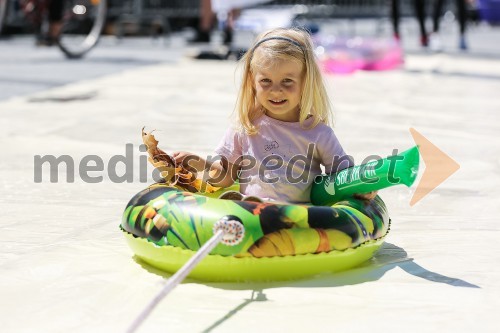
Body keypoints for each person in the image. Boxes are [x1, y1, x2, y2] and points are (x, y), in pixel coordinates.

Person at [174, 28, 377, 203]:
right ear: (252, 81)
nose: (276, 90)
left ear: (306, 81)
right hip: (252, 218)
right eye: (266, 81)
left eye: (287, 81)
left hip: (301, 222)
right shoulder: (245, 127)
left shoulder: (318, 133)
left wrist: (360, 188)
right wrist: (198, 163)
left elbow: (341, 177)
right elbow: (225, 177)